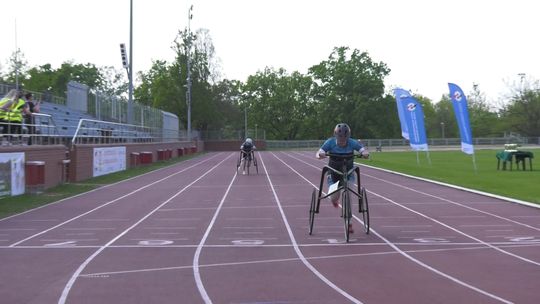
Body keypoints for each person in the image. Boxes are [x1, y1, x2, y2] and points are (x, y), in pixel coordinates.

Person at [316, 123, 369, 233]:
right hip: (334, 173)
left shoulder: (352, 142)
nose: (342, 141)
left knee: (349, 195)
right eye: (340, 138)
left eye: (345, 138)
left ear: (348, 136)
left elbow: (363, 149)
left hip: (348, 173)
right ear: (336, 136)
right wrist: (320, 155)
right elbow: (319, 152)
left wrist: (365, 153)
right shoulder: (330, 142)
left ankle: (349, 222)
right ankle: (335, 201)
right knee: (333, 197)